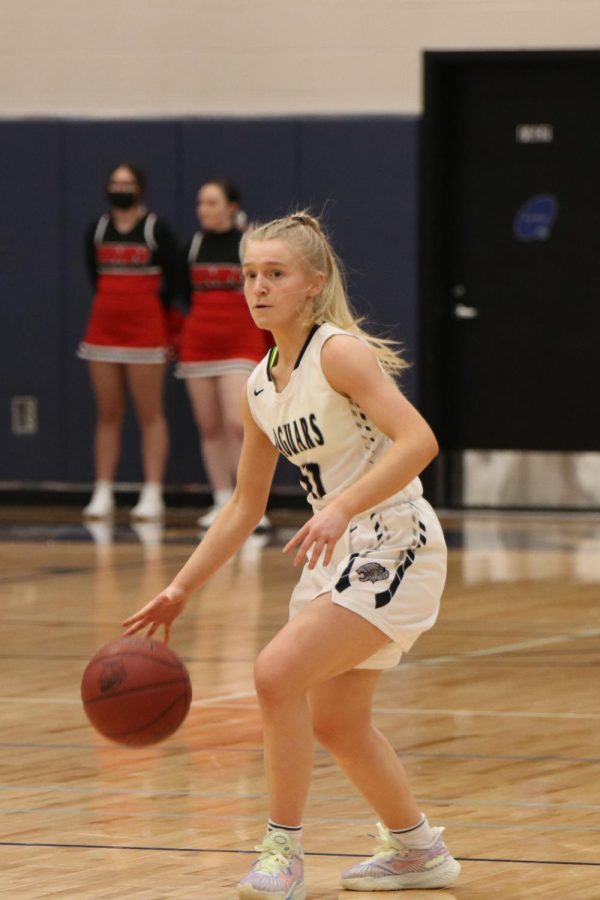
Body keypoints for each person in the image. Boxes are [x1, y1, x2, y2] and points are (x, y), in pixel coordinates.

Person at [123, 212, 461, 897]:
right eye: (250, 274)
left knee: (275, 674)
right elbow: (245, 507)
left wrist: (339, 507)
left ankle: (283, 852)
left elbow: (419, 440)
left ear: (313, 283)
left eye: (275, 274)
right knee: (336, 722)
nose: (258, 287)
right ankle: (418, 849)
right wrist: (181, 589)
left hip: (396, 540)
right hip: (334, 552)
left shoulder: (339, 353)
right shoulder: (259, 384)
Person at [78, 163, 180, 521]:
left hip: (145, 333)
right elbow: (94, 276)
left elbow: (175, 280)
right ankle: (103, 490)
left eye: (128, 182)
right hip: (103, 331)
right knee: (108, 413)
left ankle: (152, 492)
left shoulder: (155, 229)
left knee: (150, 414)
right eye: (115, 182)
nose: (120, 187)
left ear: (140, 187)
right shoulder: (98, 229)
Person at [175, 179, 271, 529]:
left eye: (212, 202)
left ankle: (251, 505)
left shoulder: (250, 246)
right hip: (199, 345)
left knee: (237, 422)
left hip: (241, 343)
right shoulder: (194, 245)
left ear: (232, 206)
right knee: (210, 427)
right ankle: (222, 501)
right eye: (201, 203)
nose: (204, 210)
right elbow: (184, 294)